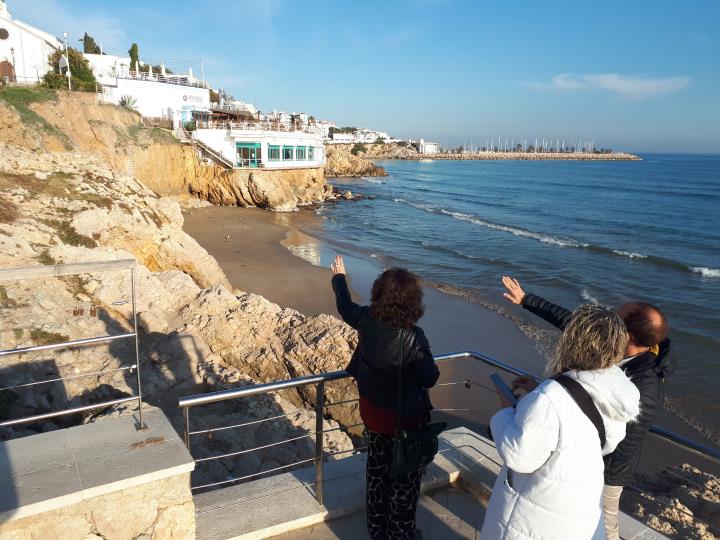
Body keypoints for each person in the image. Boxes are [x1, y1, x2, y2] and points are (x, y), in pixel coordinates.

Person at [502, 276, 678, 540]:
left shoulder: (645, 385)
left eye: (614, 319)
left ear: (625, 335)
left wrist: (551, 399)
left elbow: (614, 434)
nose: (607, 318)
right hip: (580, 461)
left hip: (606, 472)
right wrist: (527, 300)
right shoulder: (618, 348)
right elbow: (575, 326)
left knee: (603, 527)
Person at [480, 304, 640, 540]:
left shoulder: (550, 397)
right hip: (581, 510)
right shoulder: (616, 390)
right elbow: (601, 439)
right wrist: (537, 392)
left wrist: (506, 411)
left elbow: (519, 456)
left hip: (537, 517)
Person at [331, 255, 439, 540]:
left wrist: (339, 276)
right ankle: (400, 532)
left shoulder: (367, 320)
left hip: (374, 413)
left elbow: (344, 306)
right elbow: (430, 377)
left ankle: (377, 529)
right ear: (412, 302)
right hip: (404, 421)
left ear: (379, 295)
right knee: (404, 478)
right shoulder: (414, 336)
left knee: (377, 469)